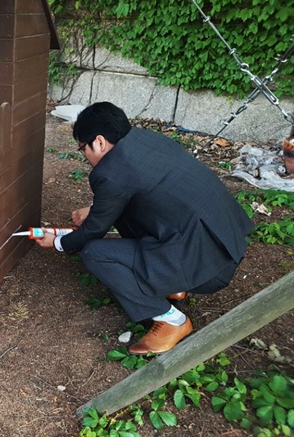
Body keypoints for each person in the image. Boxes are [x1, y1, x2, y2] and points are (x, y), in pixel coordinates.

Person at [36, 102, 253, 355]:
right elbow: (136, 190)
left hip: (207, 269)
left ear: (100, 142)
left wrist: (58, 242)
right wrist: (97, 209)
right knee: (127, 216)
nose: (85, 155)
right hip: (224, 242)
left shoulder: (110, 173)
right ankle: (172, 283)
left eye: (83, 148)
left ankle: (171, 321)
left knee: (95, 253)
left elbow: (93, 231)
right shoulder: (147, 141)